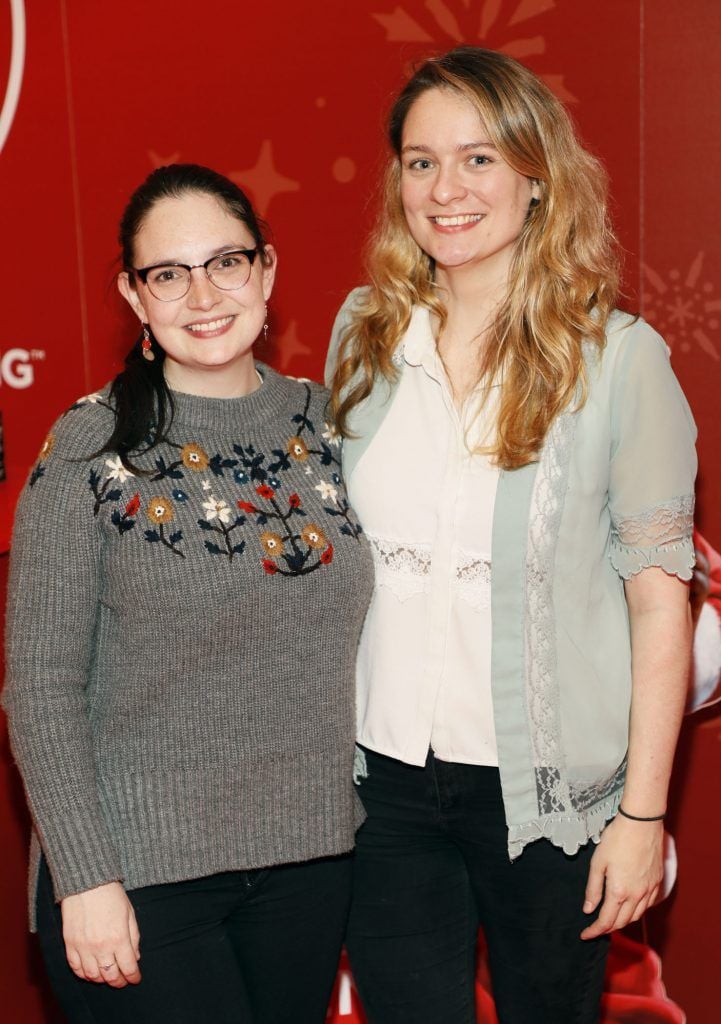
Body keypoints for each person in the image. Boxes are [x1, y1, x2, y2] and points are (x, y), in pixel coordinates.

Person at [325, 47, 696, 1024]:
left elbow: (660, 599)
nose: (445, 189)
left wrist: (640, 814)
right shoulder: (362, 335)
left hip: (546, 802)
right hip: (381, 786)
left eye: (478, 158)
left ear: (536, 178)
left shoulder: (620, 363)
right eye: (419, 161)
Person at [4, 163, 373, 1024]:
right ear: (136, 299)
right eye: (167, 275)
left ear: (268, 271)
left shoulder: (334, 427)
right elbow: (40, 687)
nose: (201, 294)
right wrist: (86, 878)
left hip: (311, 861)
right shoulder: (91, 445)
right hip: (138, 877)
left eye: (226, 263)